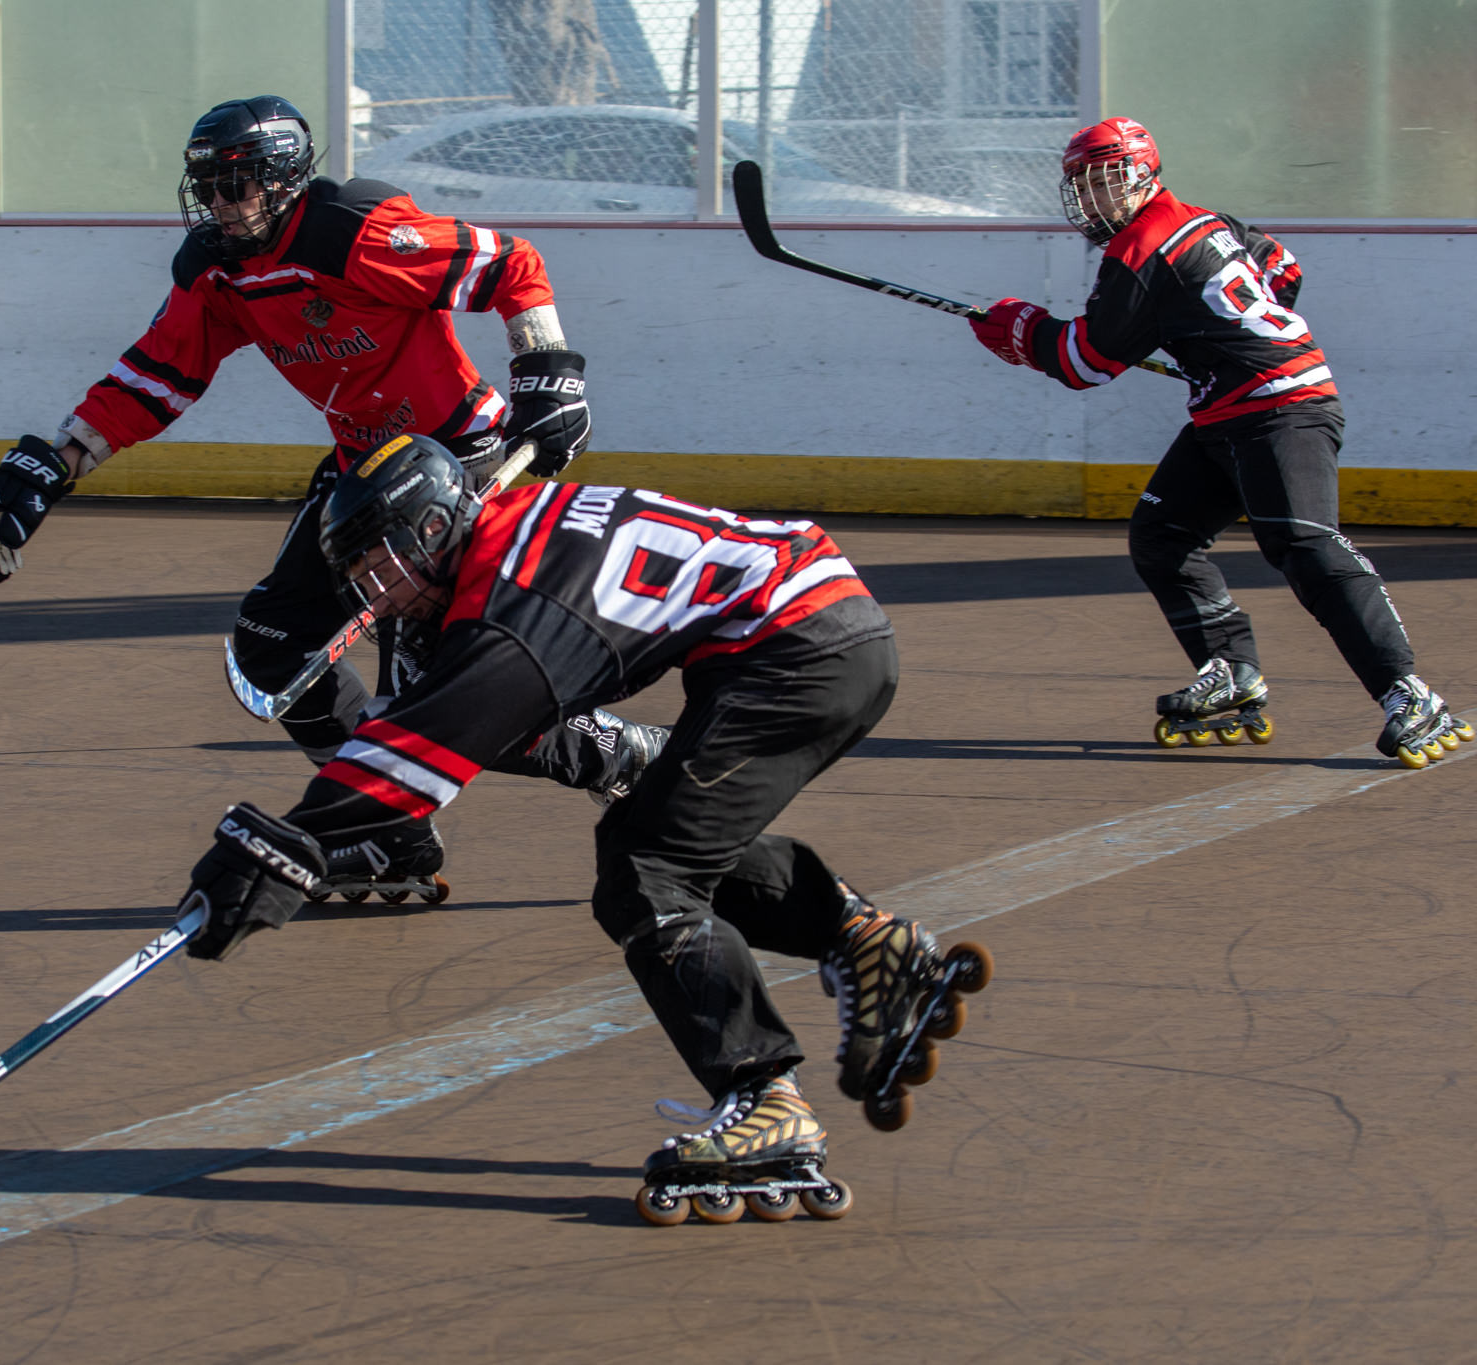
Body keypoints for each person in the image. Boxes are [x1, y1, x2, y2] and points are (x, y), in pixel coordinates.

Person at [173, 433, 988, 1221]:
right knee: (656, 839)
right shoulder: (511, 542)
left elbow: (428, 748)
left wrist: (283, 846)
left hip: (800, 649)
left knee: (647, 873)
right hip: (808, 628)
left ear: (433, 528)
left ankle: (766, 1098)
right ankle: (863, 940)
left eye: (379, 568)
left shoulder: (515, 604)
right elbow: (509, 726)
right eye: (359, 579)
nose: (373, 596)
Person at [0, 95, 662, 890]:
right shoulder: (217, 268)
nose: (221, 203)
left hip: (455, 463)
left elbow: (511, 264)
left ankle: (625, 755)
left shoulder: (355, 232)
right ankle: (392, 837)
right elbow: (159, 373)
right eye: (208, 185)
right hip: (365, 470)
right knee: (272, 648)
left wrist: (548, 370)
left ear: (285, 178)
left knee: (441, 701)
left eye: (238, 183)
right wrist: (57, 463)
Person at [967, 117, 1468, 768]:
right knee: (1162, 536)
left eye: (1104, 181)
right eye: (1081, 185)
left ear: (1141, 176)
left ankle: (1409, 693)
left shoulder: (1138, 250)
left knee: (1304, 545)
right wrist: (1212, 340)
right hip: (1231, 412)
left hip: (1281, 409)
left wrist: (1019, 328)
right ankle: (1230, 670)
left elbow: (1084, 362)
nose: (1092, 198)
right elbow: (1282, 268)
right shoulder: (1209, 222)